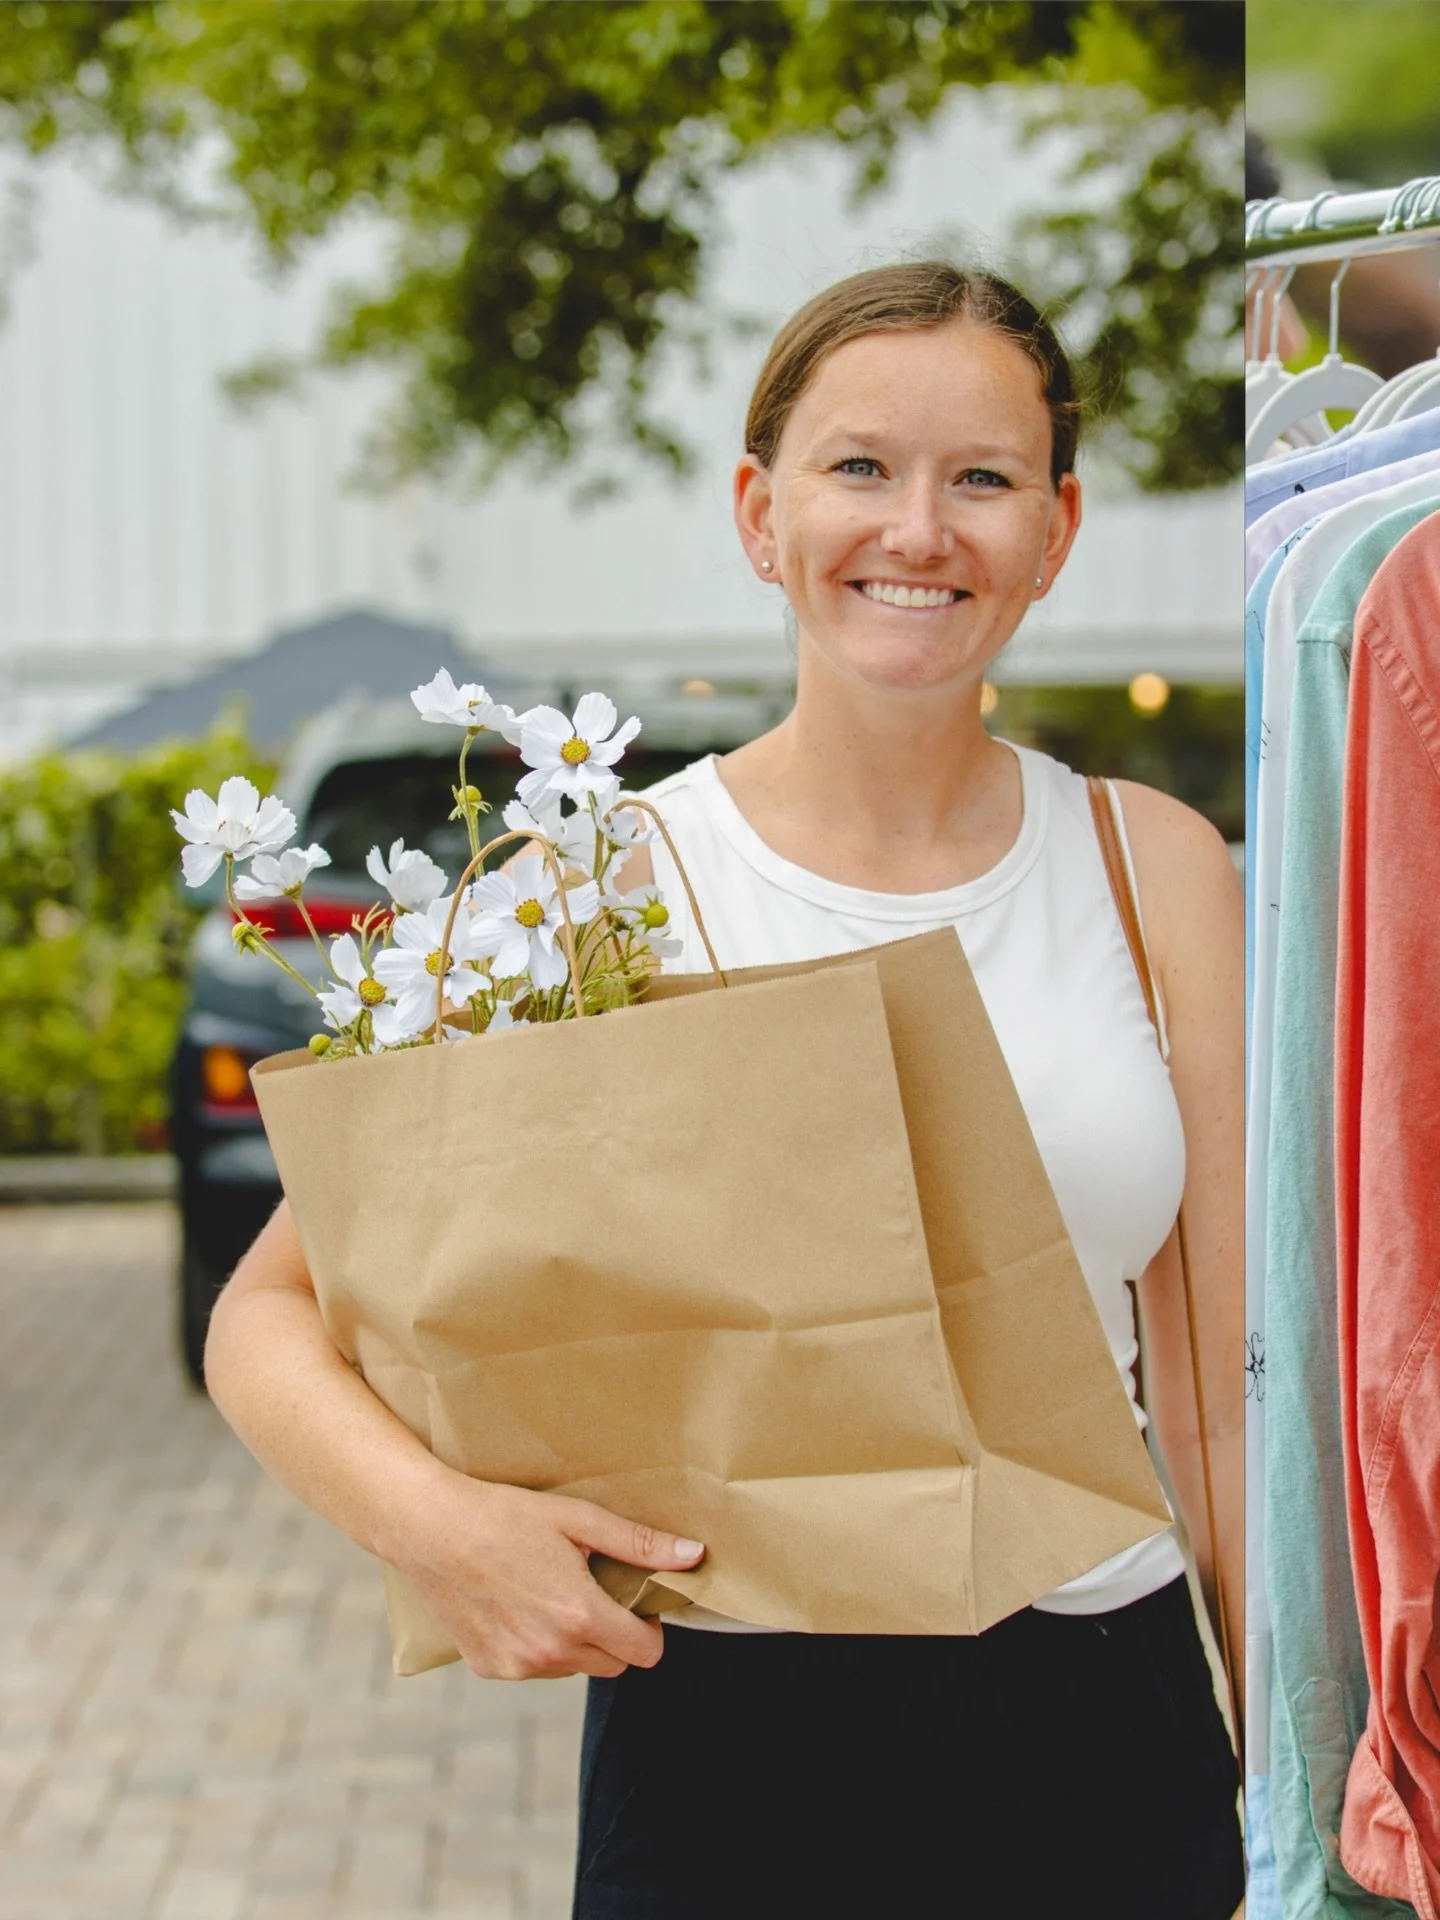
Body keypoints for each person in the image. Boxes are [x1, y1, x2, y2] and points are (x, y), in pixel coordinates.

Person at [205, 262, 1244, 1919]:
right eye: (859, 469)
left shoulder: (1150, 869)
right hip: (736, 1723)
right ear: (762, 514)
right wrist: (442, 1530)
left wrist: (1295, 1757)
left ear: (1057, 529)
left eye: (982, 478)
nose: (920, 528)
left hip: (1109, 1717)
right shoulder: (591, 888)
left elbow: (1219, 1391)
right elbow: (264, 1320)